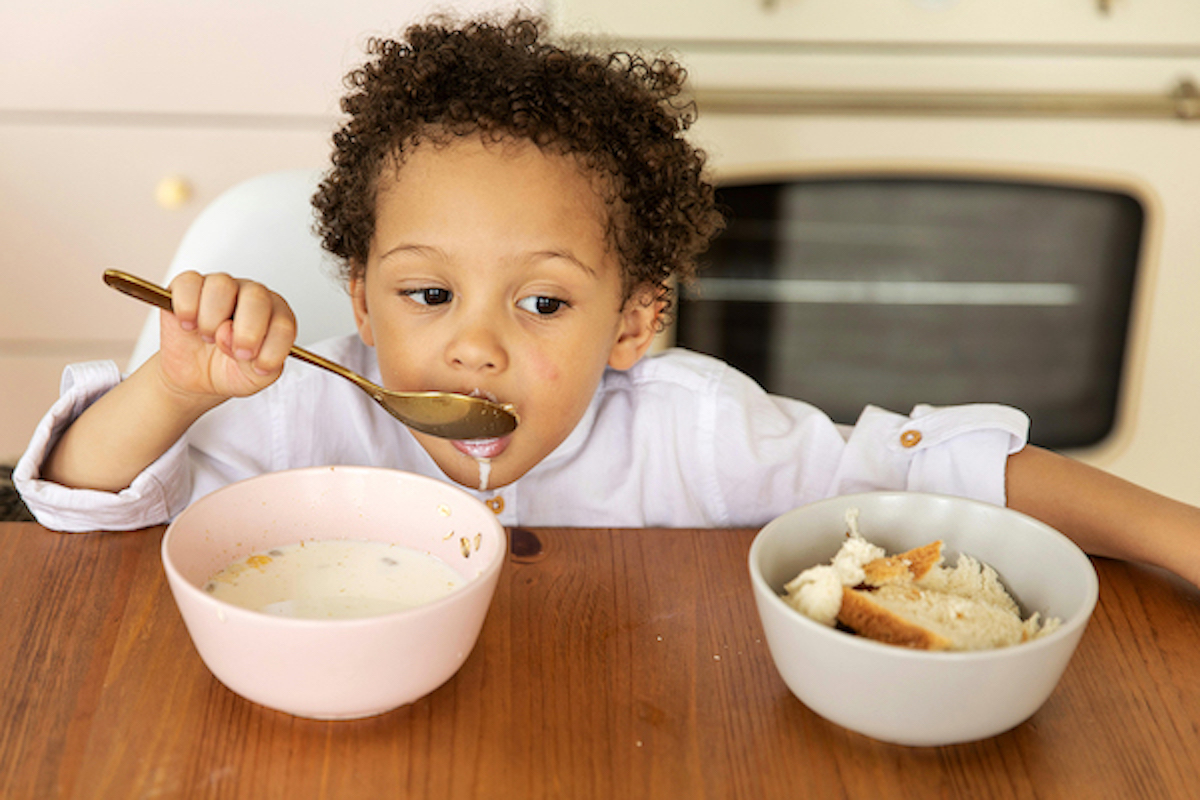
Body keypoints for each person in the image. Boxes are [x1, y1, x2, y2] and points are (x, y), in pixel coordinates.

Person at [15, 15, 1200, 590]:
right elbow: (74, 512)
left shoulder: (697, 434)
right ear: (362, 303)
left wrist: (1174, 535)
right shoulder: (287, 415)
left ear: (634, 323)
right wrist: (175, 385)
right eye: (427, 292)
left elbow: (942, 470)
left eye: (542, 304)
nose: (472, 341)